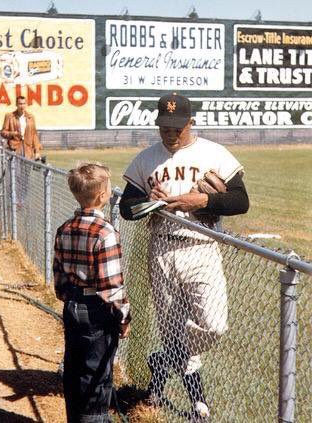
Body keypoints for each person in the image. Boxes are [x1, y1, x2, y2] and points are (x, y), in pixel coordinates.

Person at [119, 93, 249, 421]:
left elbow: (241, 201)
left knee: (214, 325)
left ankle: (167, 357)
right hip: (161, 248)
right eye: (165, 125)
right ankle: (197, 402)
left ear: (191, 122)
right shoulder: (146, 159)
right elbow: (126, 208)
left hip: (201, 246)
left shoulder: (213, 153)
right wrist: (149, 200)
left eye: (177, 126)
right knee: (170, 327)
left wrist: (202, 201)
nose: (171, 132)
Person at [54, 163, 131, 422]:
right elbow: (111, 286)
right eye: (109, 188)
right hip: (97, 309)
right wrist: (123, 317)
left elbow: (60, 276)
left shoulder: (64, 228)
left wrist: (69, 298)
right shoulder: (105, 232)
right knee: (96, 374)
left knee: (74, 367)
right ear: (102, 195)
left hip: (73, 304)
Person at [0, 96, 42, 160]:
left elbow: (34, 135)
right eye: (20, 104)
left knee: (26, 169)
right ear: (16, 104)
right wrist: (13, 133)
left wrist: (37, 151)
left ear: (26, 104)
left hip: (28, 150)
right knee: (15, 169)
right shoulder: (10, 116)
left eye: (24, 103)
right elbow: (3, 132)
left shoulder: (30, 117)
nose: (22, 106)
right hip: (14, 149)